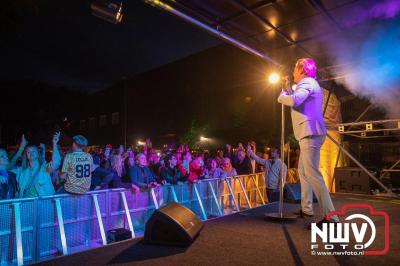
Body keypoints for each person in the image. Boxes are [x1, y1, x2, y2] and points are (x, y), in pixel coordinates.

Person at [277, 58, 337, 226]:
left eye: (295, 70)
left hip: (310, 133)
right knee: (303, 172)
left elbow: (294, 100)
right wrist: (287, 87)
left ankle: (332, 218)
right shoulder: (308, 84)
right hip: (309, 133)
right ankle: (307, 209)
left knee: (312, 174)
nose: (294, 73)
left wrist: (282, 96)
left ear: (302, 70)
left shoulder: (307, 82)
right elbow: (297, 97)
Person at [15, 133, 61, 197]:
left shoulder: (44, 168)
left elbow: (56, 163)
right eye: (28, 152)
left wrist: (54, 144)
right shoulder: (21, 170)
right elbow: (7, 167)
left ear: (38, 154)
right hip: (26, 204)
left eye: (33, 151)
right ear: (26, 156)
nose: (31, 153)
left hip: (43, 203)